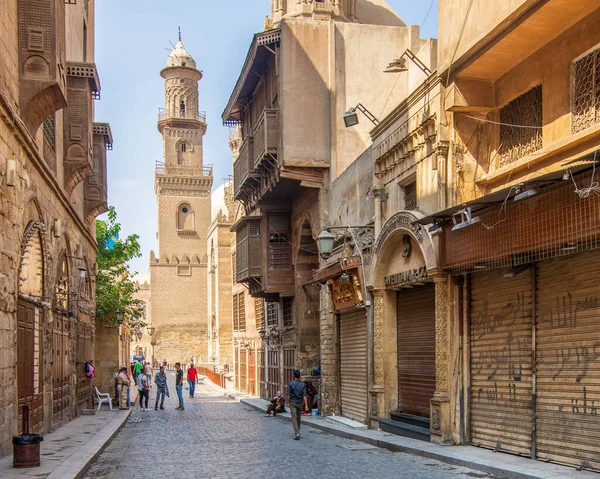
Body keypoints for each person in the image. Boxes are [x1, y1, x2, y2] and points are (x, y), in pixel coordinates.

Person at [287, 370, 308, 440]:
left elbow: (288, 395)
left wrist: (288, 402)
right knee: (298, 418)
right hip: (300, 403)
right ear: (299, 376)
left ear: (293, 375)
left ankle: (297, 433)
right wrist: (306, 405)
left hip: (293, 403)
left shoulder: (290, 384)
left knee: (294, 418)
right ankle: (297, 432)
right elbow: (304, 396)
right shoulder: (303, 385)